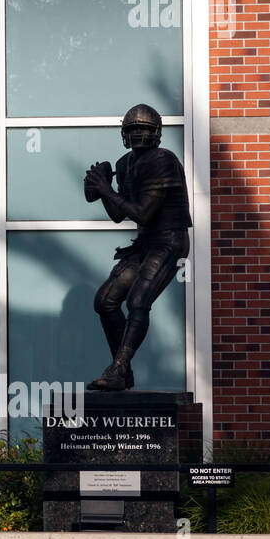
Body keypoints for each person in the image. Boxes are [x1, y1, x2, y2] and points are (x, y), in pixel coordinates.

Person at [83, 104, 192, 391]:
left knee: (138, 301)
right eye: (133, 130)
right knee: (105, 301)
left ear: (156, 133)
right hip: (145, 242)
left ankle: (118, 367)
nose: (138, 134)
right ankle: (123, 371)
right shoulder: (124, 164)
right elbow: (120, 214)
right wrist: (104, 187)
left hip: (169, 239)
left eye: (143, 129)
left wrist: (106, 190)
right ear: (125, 134)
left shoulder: (163, 160)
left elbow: (143, 213)